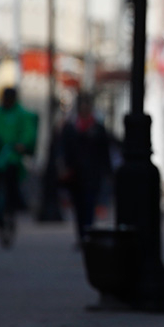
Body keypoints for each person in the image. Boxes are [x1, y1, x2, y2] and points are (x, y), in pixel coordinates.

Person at [0, 87, 38, 249]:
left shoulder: (21, 114)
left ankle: (9, 214)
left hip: (11, 159)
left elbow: (28, 133)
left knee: (10, 189)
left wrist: (21, 144)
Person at [60, 92, 112, 245]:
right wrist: (63, 166)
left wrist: (107, 171)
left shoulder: (97, 128)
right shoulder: (71, 128)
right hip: (75, 174)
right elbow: (64, 149)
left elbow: (105, 151)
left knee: (89, 204)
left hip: (92, 174)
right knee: (79, 206)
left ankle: (87, 233)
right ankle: (81, 234)